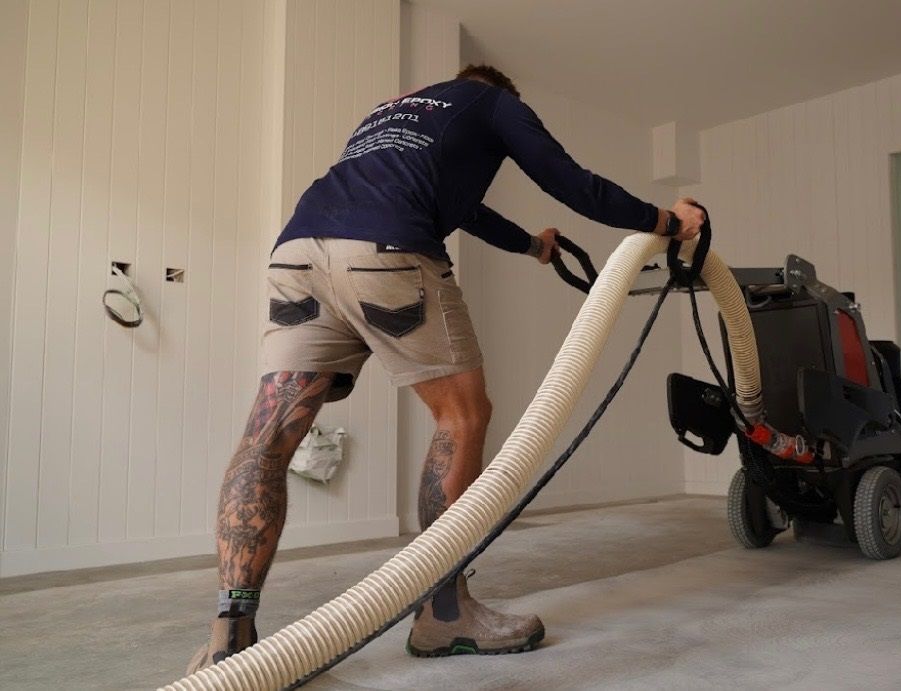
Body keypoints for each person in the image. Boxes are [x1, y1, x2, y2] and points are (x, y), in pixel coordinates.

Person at [188, 64, 706, 672]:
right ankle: (444, 611)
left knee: (268, 436)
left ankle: (230, 635)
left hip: (298, 254)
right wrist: (667, 222)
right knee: (461, 416)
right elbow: (570, 180)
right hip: (385, 252)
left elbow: (464, 209)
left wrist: (532, 246)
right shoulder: (494, 103)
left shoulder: (391, 112)